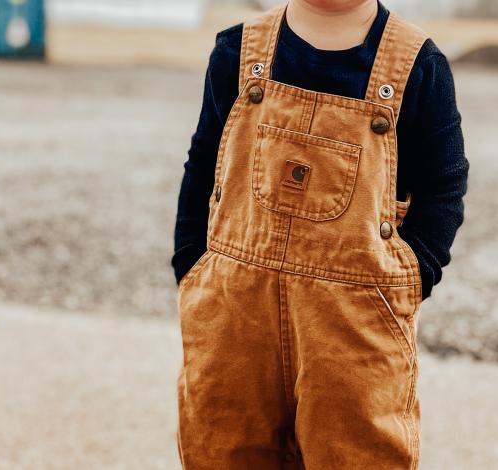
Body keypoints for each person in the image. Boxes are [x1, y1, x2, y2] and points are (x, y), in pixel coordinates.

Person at [171, 0, 468, 468]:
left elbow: (444, 185)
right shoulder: (238, 51)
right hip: (233, 319)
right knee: (222, 446)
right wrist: (192, 262)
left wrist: (412, 275)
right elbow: (203, 163)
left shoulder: (417, 64)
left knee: (358, 454)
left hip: (353, 330)